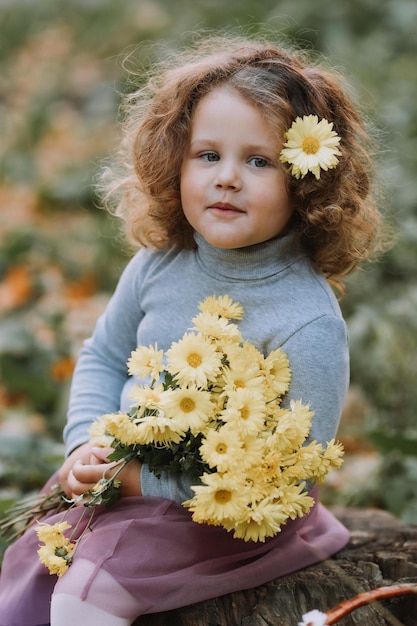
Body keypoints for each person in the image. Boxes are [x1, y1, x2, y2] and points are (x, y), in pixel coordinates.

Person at [0, 33, 389, 626]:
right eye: (208, 155)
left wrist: (140, 480)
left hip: (227, 516)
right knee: (30, 576)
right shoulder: (159, 267)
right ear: (174, 161)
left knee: (85, 599)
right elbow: (104, 355)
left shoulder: (306, 319)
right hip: (118, 478)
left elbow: (290, 474)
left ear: (307, 180)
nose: (228, 178)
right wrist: (83, 443)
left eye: (258, 161)